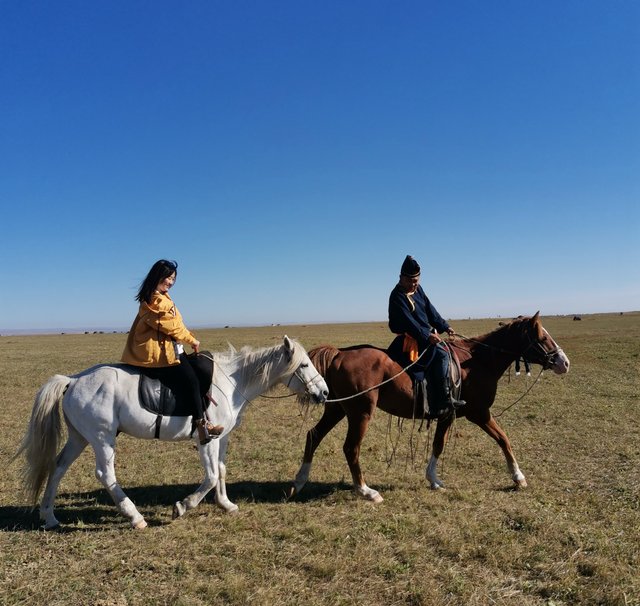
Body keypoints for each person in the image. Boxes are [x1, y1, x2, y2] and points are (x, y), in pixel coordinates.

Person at [122, 259, 223, 444]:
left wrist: (189, 339)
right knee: (191, 379)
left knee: (199, 368)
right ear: (157, 276)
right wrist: (192, 339)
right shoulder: (155, 300)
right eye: (167, 277)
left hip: (169, 348)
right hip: (157, 354)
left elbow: (177, 325)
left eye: (173, 279)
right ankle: (202, 426)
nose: (170, 282)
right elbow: (173, 328)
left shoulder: (162, 297)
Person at [388, 255, 465, 419]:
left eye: (416, 280)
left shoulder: (418, 290)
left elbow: (431, 311)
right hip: (409, 340)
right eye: (410, 281)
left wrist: (445, 326)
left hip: (423, 336)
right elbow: (409, 323)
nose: (414, 284)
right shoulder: (397, 296)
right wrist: (427, 335)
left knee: (447, 350)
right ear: (401, 278)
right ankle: (445, 398)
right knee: (443, 354)